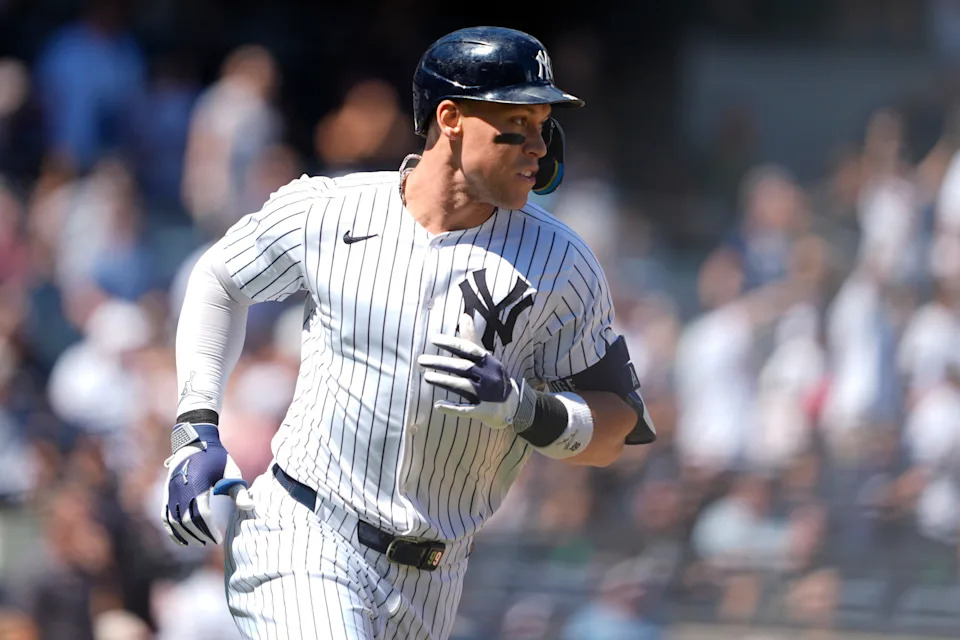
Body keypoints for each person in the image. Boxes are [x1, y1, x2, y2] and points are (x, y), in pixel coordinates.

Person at [159, 26, 655, 640]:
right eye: (518, 121)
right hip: (306, 533)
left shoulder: (563, 262)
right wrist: (195, 425)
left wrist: (527, 410)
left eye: (544, 123)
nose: (538, 145)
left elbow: (617, 427)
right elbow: (219, 279)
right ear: (450, 118)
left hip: (432, 578)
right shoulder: (327, 209)